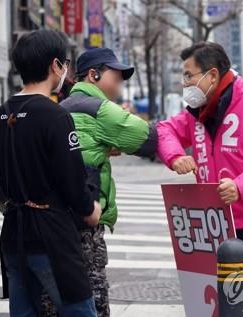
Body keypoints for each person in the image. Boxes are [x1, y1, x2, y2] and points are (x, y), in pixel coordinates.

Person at [156, 42, 243, 317]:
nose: (184, 83)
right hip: (218, 227)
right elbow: (164, 130)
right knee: (227, 308)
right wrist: (175, 157)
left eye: (189, 75)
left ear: (211, 76)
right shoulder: (196, 114)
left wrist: (240, 186)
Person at [0, 29, 101, 317]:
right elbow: (72, 180)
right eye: (64, 63)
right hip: (51, 236)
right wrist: (91, 208)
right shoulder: (55, 116)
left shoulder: (2, 113)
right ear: (55, 66)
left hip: (14, 233)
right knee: (80, 311)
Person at [59, 47, 157, 317]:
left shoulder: (61, 107)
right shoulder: (98, 108)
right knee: (93, 291)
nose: (119, 85)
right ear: (94, 75)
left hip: (58, 218)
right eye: (116, 77)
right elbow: (147, 139)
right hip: (88, 214)